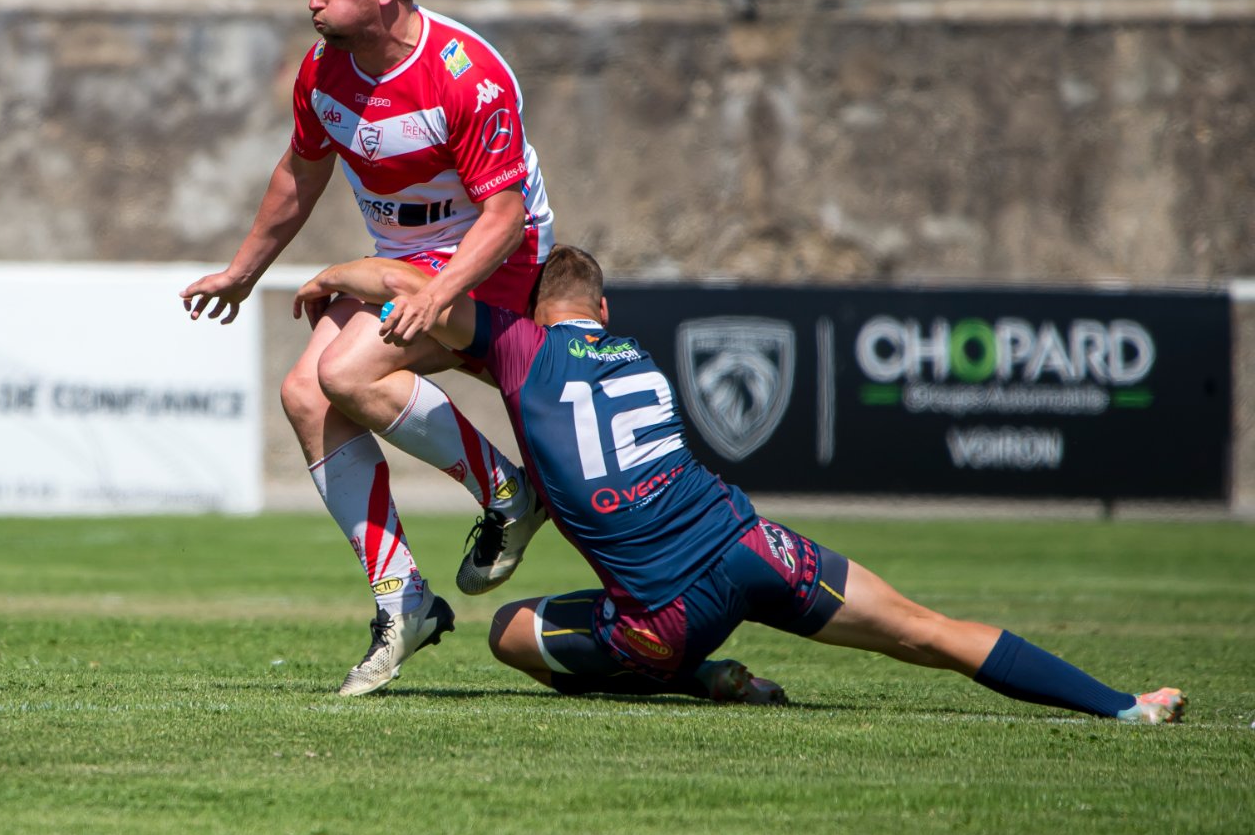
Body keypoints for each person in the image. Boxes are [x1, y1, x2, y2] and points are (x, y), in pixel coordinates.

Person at [294, 247, 1187, 723]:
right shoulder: (639, 357)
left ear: (539, 317)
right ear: (606, 313)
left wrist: (337, 275)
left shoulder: (521, 349)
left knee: (508, 633)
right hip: (752, 546)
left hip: (662, 617)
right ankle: (1122, 705)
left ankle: (693, 676)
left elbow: (408, 284)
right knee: (926, 631)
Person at [182, 0, 558, 697]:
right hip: (405, 266)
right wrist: (243, 272)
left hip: (496, 264)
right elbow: (300, 175)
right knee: (304, 394)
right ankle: (405, 600)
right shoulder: (324, 74)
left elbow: (504, 217)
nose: (311, 1)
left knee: (348, 370)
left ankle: (507, 492)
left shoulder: (466, 74)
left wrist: (439, 295)